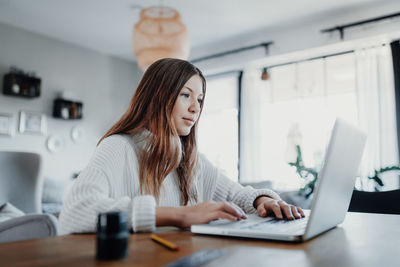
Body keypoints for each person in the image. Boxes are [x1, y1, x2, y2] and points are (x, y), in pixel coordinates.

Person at [59, 58, 305, 234]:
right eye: (185, 95)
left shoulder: (190, 158)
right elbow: (76, 211)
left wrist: (263, 201)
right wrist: (180, 215)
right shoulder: (118, 147)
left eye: (199, 99)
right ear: (157, 97)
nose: (195, 108)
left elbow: (236, 195)